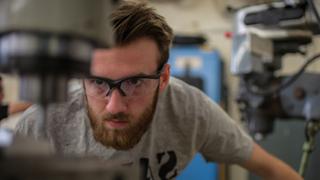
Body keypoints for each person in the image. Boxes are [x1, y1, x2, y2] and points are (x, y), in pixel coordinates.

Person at [15, 1, 302, 180]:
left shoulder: (190, 110)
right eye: (98, 82)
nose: (115, 105)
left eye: (135, 82)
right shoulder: (44, 123)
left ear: (164, 78)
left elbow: (271, 168)